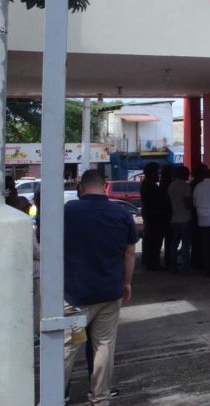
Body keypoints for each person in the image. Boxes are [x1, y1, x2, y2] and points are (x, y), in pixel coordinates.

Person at [63, 169, 137, 406]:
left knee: (70, 346)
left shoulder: (67, 212)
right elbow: (129, 253)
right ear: (105, 187)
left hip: (75, 297)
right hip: (108, 294)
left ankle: (54, 394)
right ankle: (100, 397)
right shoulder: (120, 213)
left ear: (81, 188)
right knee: (103, 345)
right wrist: (126, 282)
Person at [14, 196, 40, 343]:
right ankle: (34, 334)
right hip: (35, 272)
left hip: (23, 272)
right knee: (35, 307)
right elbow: (36, 251)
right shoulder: (27, 227)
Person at [139, 163, 170, 271]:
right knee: (154, 241)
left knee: (150, 239)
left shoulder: (147, 184)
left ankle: (148, 260)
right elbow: (158, 202)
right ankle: (153, 263)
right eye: (157, 173)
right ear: (152, 174)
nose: (159, 175)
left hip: (150, 215)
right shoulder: (150, 186)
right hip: (154, 217)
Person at [167, 165, 193, 274]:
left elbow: (169, 202)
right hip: (185, 218)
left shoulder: (171, 186)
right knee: (186, 244)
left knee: (174, 243)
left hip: (174, 218)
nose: (189, 175)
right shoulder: (186, 186)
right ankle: (185, 267)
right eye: (187, 173)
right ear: (183, 174)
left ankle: (172, 266)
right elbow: (188, 204)